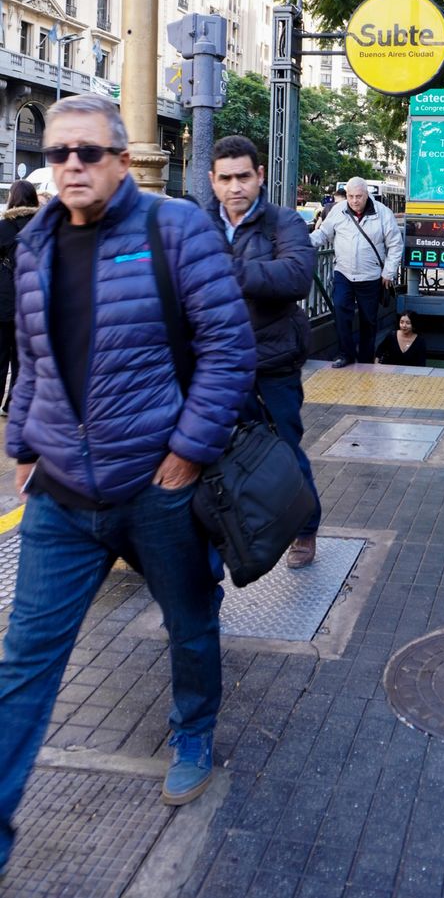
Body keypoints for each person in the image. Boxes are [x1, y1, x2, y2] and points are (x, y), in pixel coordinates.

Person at [0, 94, 256, 874]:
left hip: (157, 487)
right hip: (61, 494)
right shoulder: (34, 240)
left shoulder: (173, 227)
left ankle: (193, 729)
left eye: (87, 152)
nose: (70, 166)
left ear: (121, 158)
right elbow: (33, 356)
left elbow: (228, 349)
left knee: (189, 620)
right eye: (57, 154)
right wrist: (20, 441)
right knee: (24, 661)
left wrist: (187, 451)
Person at [207, 134, 322, 569]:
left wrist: (226, 271)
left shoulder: (283, 222)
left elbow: (296, 276)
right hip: (217, 362)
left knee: (285, 449)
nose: (235, 187)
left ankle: (306, 527)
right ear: (213, 181)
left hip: (272, 359)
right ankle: (234, 530)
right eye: (225, 179)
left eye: (243, 177)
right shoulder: (203, 222)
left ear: (259, 176)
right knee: (217, 453)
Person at [311, 176, 403, 367]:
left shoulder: (383, 213)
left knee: (368, 321)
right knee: (340, 313)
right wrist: (301, 241)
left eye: (358, 196)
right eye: (351, 196)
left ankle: (366, 359)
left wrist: (389, 272)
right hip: (343, 273)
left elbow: (395, 244)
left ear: (366, 194)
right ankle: (346, 354)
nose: (354, 201)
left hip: (370, 277)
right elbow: (323, 234)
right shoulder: (338, 210)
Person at [0, 180, 39, 416]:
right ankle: (13, 402)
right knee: (23, 359)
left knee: (0, 354)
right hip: (32, 302)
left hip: (4, 299)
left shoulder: (3, 226)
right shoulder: (44, 226)